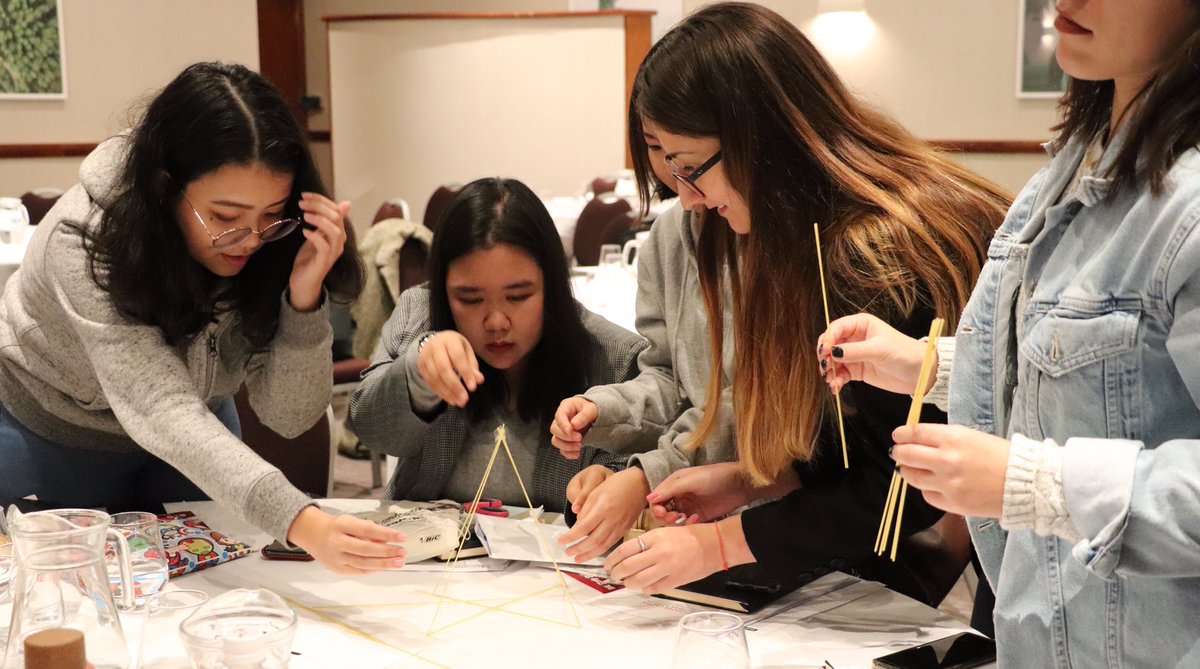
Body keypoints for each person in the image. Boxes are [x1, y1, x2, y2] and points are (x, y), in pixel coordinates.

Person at [564, 2, 1010, 603]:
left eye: (692, 168)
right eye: (667, 166)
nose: (688, 199)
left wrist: (720, 543)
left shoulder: (873, 249)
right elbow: (851, 443)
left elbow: (900, 486)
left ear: (762, 135)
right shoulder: (795, 233)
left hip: (991, 572)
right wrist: (754, 483)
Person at [821, 1, 1200, 665]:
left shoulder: (1189, 206)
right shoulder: (1079, 161)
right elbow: (1097, 367)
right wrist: (927, 366)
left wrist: (1041, 484)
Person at [0, 62, 405, 574]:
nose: (251, 240)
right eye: (225, 218)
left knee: (216, 591)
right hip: (56, 433)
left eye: (270, 215)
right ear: (165, 186)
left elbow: (289, 415)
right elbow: (160, 405)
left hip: (198, 433)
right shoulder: (84, 239)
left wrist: (302, 302)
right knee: (76, 599)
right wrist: (302, 519)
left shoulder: (278, 243)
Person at [347, 177, 649, 512]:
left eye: (518, 296)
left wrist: (611, 479)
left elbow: (641, 470)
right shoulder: (420, 314)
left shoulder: (613, 357)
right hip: (429, 553)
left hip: (554, 558)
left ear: (552, 287)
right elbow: (371, 430)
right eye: (470, 299)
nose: (496, 322)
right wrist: (417, 376)